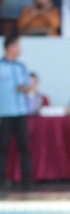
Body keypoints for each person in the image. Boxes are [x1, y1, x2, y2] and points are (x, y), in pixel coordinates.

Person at [0, 36, 34, 191]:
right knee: (3, 147)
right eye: (17, 46)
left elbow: (28, 86)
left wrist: (26, 88)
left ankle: (27, 182)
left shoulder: (21, 67)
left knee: (24, 147)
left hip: (21, 112)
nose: (20, 49)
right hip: (4, 113)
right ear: (10, 47)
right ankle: (1, 181)